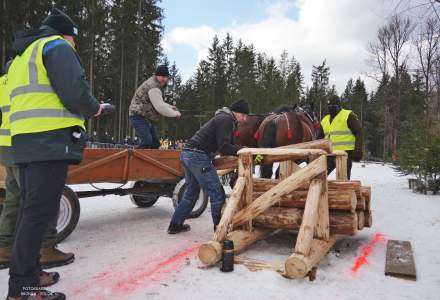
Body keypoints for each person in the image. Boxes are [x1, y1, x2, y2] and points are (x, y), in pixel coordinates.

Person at [6, 8, 105, 300]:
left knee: (31, 211)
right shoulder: (56, 46)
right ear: (68, 35)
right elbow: (75, 93)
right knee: (37, 214)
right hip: (49, 142)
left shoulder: (23, 57)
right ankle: (23, 289)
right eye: (75, 40)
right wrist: (95, 108)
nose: (74, 45)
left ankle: (31, 274)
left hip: (25, 142)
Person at [168, 98, 249, 234]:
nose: (245, 119)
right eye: (244, 115)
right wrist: (243, 149)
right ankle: (220, 230)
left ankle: (175, 225)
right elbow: (224, 147)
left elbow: (221, 145)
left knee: (191, 192)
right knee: (217, 193)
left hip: (188, 154)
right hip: (197, 156)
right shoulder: (226, 120)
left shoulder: (223, 118)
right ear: (236, 112)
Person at [129, 65, 181, 149]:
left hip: (147, 117)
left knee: (155, 144)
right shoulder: (153, 86)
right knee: (147, 141)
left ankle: (152, 161)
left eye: (165, 77)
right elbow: (160, 107)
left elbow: (159, 102)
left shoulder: (157, 85)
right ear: (156, 75)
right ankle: (133, 159)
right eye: (161, 76)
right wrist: (175, 113)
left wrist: (171, 107)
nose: (163, 79)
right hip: (138, 116)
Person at [317, 95, 363, 179]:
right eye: (329, 106)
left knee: (343, 181)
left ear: (338, 106)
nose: (330, 108)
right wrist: (315, 152)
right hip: (329, 154)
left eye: (333, 106)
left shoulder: (348, 115)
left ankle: (345, 192)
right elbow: (319, 139)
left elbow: (359, 132)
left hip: (345, 154)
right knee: (319, 177)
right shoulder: (325, 120)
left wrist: (358, 150)